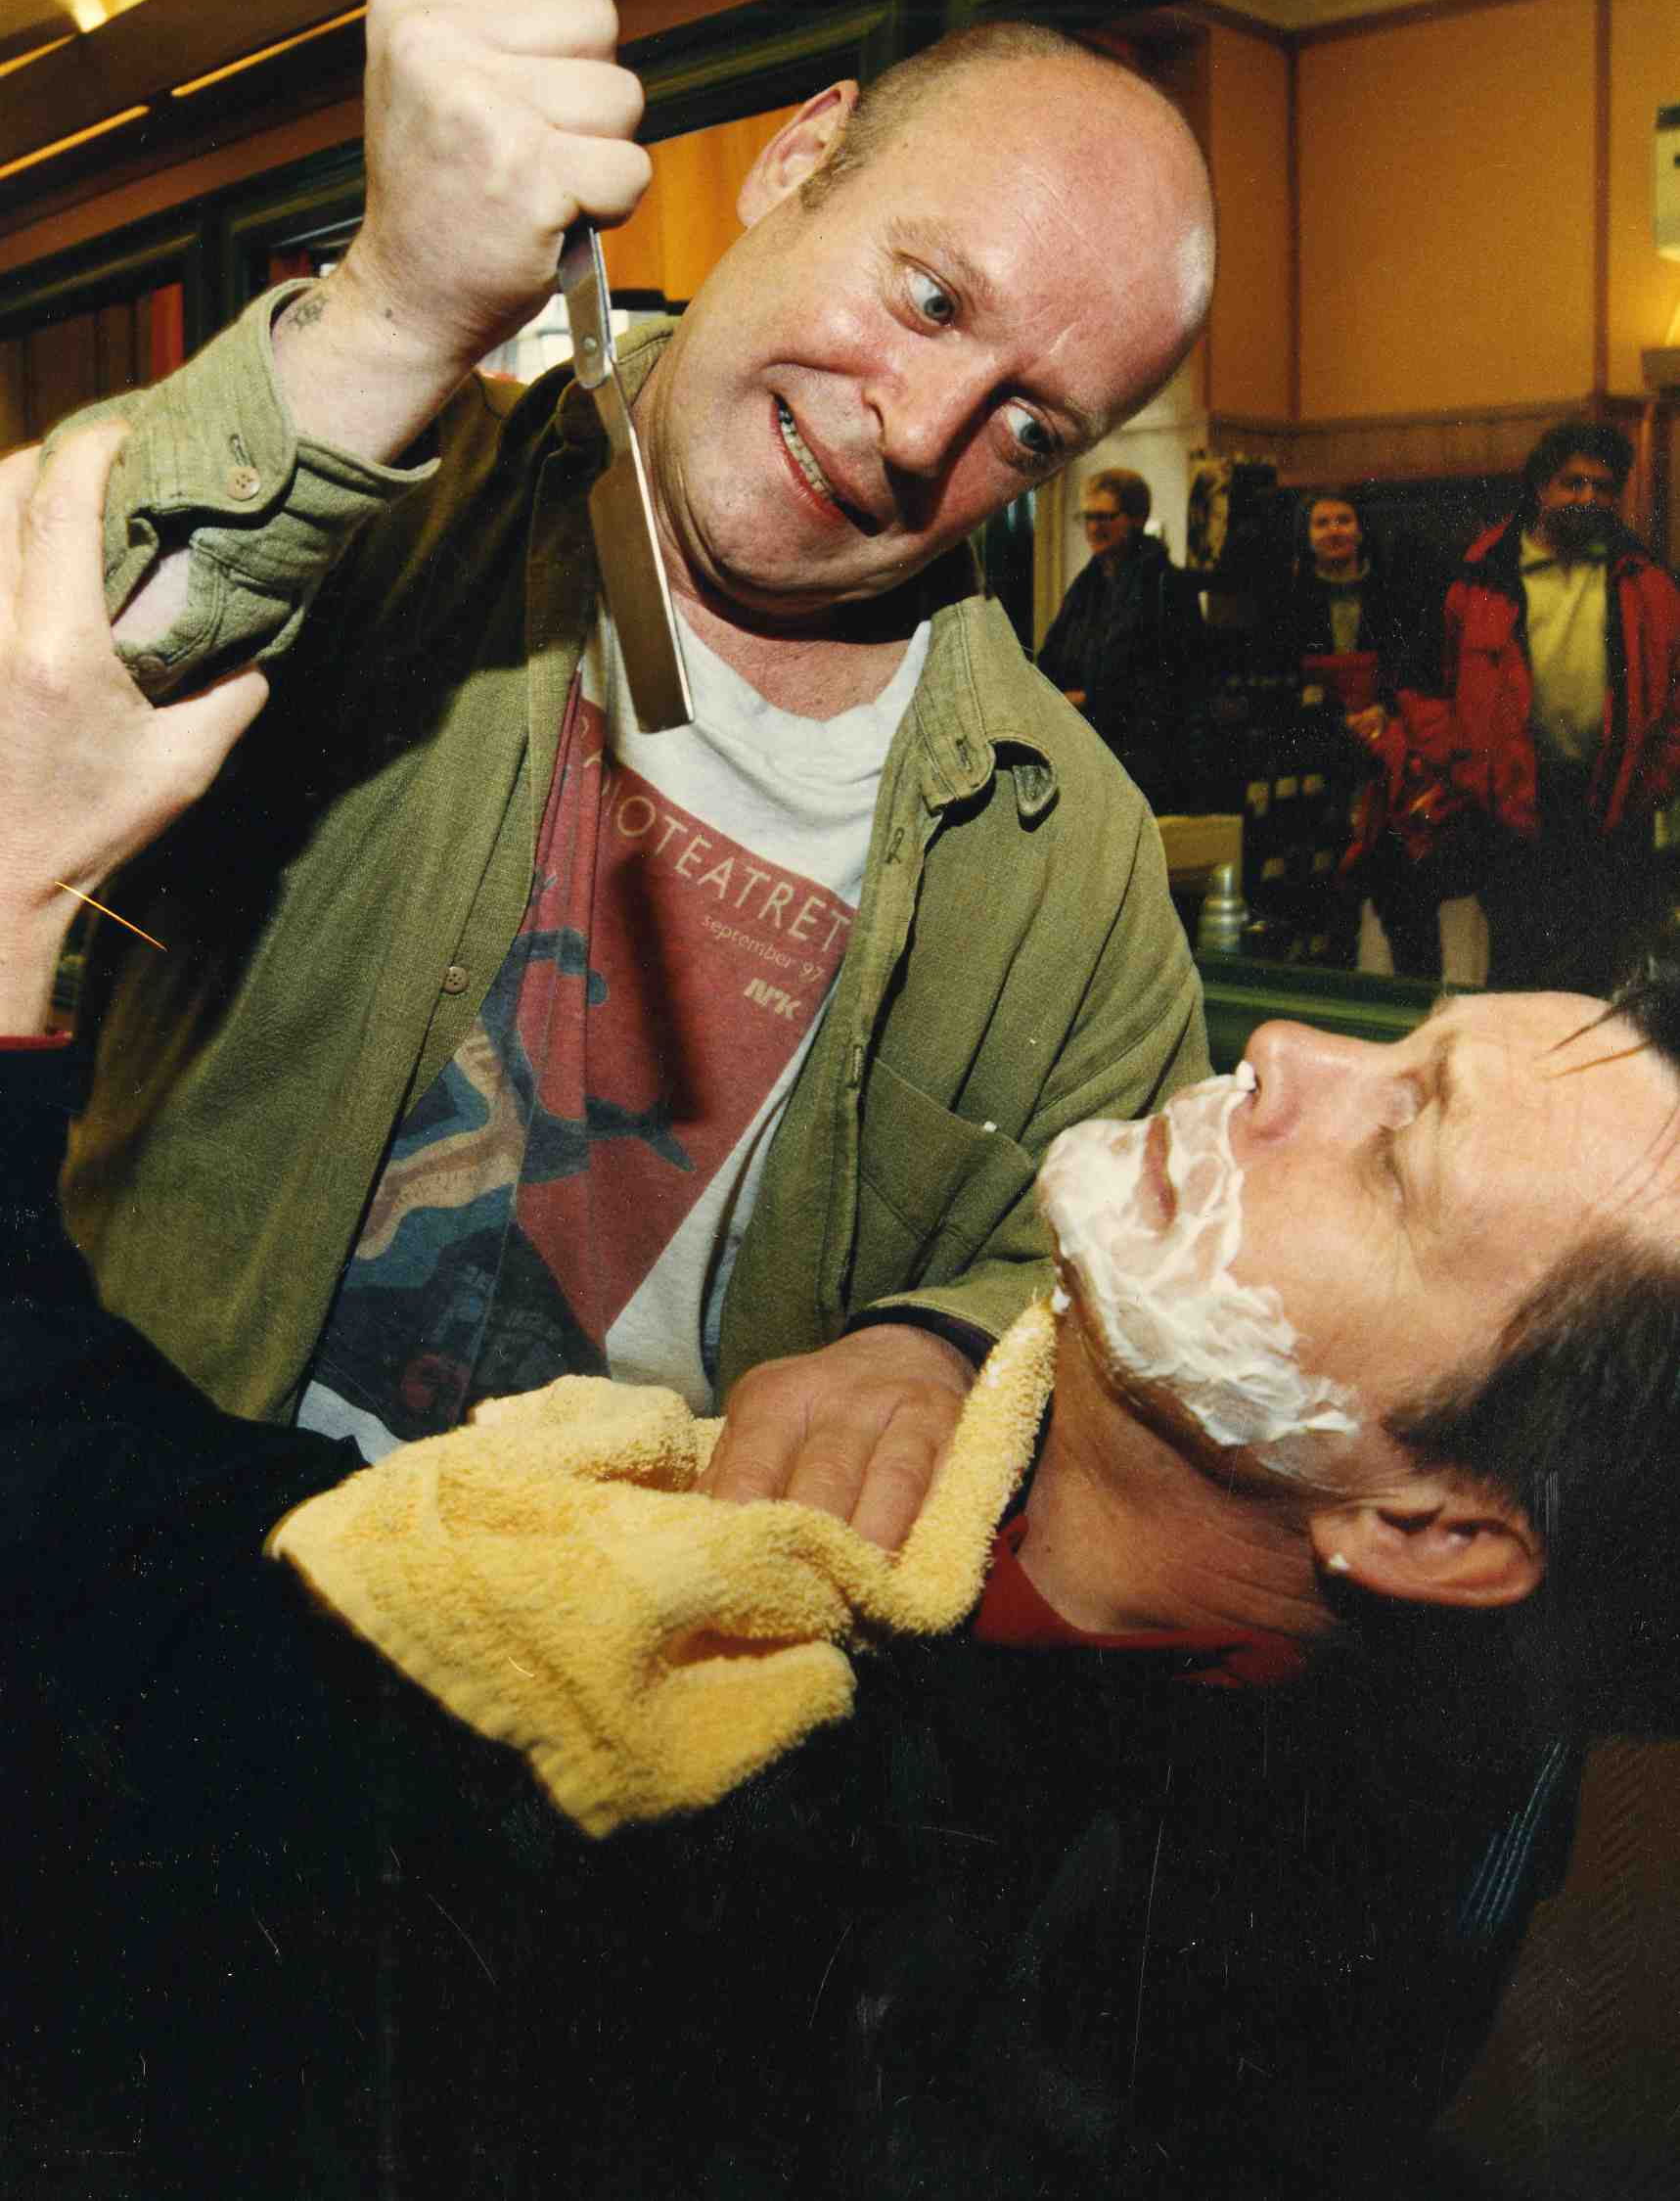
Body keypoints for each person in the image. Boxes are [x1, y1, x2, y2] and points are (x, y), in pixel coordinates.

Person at [9, 428, 1680, 2200]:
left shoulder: (826, 1895)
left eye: (1396, 1155)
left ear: (1429, 1530)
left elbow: (106, 1577)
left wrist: (19, 896)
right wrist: (945, 1333)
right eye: (1402, 1045)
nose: (1284, 1053)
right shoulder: (1382, 1702)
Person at [52, 0, 1216, 1545]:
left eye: (1029, 429)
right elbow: (61, 640)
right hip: (152, 1561)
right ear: (799, 159)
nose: (918, 430)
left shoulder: (1062, 857)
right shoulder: (397, 512)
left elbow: (1120, 1270)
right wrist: (391, 315)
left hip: (607, 1654)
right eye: (931, 301)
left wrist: (938, 1342)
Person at [1355, 423, 1680, 995]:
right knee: (1517, 976)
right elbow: (1420, 687)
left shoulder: (1648, 583)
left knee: (1600, 984)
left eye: (1603, 487)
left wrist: (1655, 780)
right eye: (1573, 483)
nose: (1588, 498)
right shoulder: (1477, 577)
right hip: (1512, 810)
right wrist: (1465, 765)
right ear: (1540, 488)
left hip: (1609, 807)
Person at [1285, 491, 1443, 977]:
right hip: (1321, 763)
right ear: (1307, 536)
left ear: (1360, 529)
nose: (1334, 530)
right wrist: (1337, 718)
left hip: (1391, 760)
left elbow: (1421, 664)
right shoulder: (1289, 600)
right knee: (1328, 912)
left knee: (1409, 910)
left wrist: (1384, 709)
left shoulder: (1397, 591)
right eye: (1322, 523)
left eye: (1344, 520)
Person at [1036, 465, 1204, 804]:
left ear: (1136, 519)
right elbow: (1051, 659)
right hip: (1086, 751)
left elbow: (1173, 684)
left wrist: (1090, 699)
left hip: (1145, 762)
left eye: (1105, 517)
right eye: (1088, 517)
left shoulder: (1167, 585)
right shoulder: (1086, 588)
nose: (1093, 527)